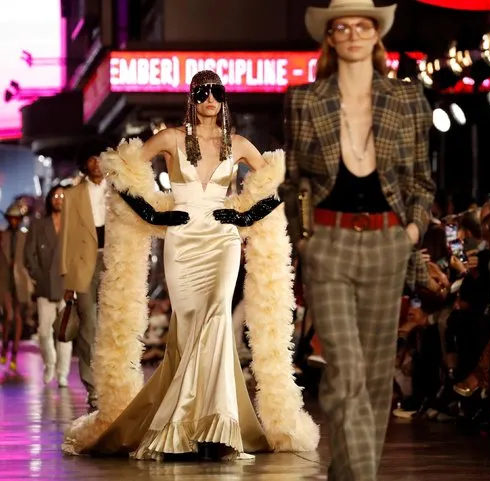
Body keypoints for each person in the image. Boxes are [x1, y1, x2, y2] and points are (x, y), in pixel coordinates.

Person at [62, 70, 318, 461]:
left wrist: (245, 216)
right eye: (203, 92)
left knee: (216, 316)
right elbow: (120, 166)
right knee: (188, 328)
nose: (210, 98)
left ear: (224, 98)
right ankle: (189, 422)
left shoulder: (240, 144)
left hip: (222, 242)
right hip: (181, 244)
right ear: (192, 98)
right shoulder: (171, 138)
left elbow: (280, 181)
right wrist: (153, 213)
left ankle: (218, 426)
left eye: (217, 92)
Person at [283, 0, 435, 479]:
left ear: (376, 35)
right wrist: (304, 238)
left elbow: (421, 180)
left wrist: (412, 230)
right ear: (329, 37)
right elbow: (292, 182)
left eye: (362, 26)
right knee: (344, 372)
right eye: (341, 27)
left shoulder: (407, 99)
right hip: (328, 240)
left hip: (389, 241)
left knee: (371, 381)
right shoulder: (305, 99)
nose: (352, 34)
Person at [60, 144, 107, 410]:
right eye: (91, 159)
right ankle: (93, 388)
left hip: (114, 262)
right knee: (89, 325)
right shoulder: (73, 195)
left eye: (100, 157)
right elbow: (66, 237)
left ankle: (114, 385)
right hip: (85, 265)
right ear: (85, 164)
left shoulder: (118, 190)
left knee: (113, 325)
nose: (96, 163)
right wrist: (68, 281)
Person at [25, 186, 72, 387]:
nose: (59, 199)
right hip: (45, 285)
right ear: (50, 199)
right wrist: (39, 275)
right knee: (44, 330)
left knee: (65, 331)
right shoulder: (38, 225)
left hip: (67, 284)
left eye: (63, 195)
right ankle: (50, 364)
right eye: (55, 195)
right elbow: (28, 254)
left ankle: (62, 372)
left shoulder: (73, 223)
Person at [0, 204, 31, 371]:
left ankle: (14, 352)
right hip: (4, 280)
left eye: (17, 218)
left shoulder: (25, 237)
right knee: (9, 315)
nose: (14, 221)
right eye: (11, 218)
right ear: (7, 218)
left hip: (20, 281)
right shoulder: (0, 236)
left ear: (20, 219)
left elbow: (29, 259)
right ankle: (5, 345)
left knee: (18, 316)